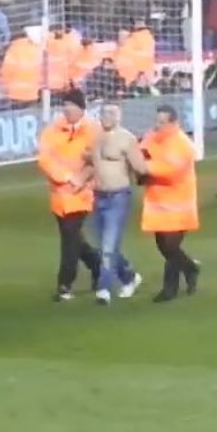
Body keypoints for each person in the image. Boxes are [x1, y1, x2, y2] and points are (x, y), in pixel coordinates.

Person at [37, 89, 102, 302]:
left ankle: (64, 284)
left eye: (71, 106)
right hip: (60, 194)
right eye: (65, 106)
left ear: (81, 108)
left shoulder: (94, 130)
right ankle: (97, 264)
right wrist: (65, 177)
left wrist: (80, 179)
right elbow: (44, 159)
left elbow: (98, 160)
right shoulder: (52, 131)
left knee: (69, 238)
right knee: (73, 238)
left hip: (83, 192)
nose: (67, 110)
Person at [139, 105, 201, 303]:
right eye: (157, 121)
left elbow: (169, 169)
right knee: (163, 246)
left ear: (174, 123)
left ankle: (170, 289)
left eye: (162, 122)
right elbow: (142, 151)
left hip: (179, 205)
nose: (158, 126)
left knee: (171, 245)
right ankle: (190, 268)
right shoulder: (153, 136)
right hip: (158, 203)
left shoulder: (182, 144)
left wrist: (143, 167)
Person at [90, 103, 147, 305]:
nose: (106, 117)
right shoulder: (95, 138)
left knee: (107, 246)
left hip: (118, 197)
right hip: (98, 196)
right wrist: (78, 181)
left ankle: (103, 289)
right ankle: (129, 277)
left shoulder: (127, 139)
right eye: (104, 113)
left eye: (111, 113)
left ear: (119, 117)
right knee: (104, 246)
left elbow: (140, 166)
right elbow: (92, 165)